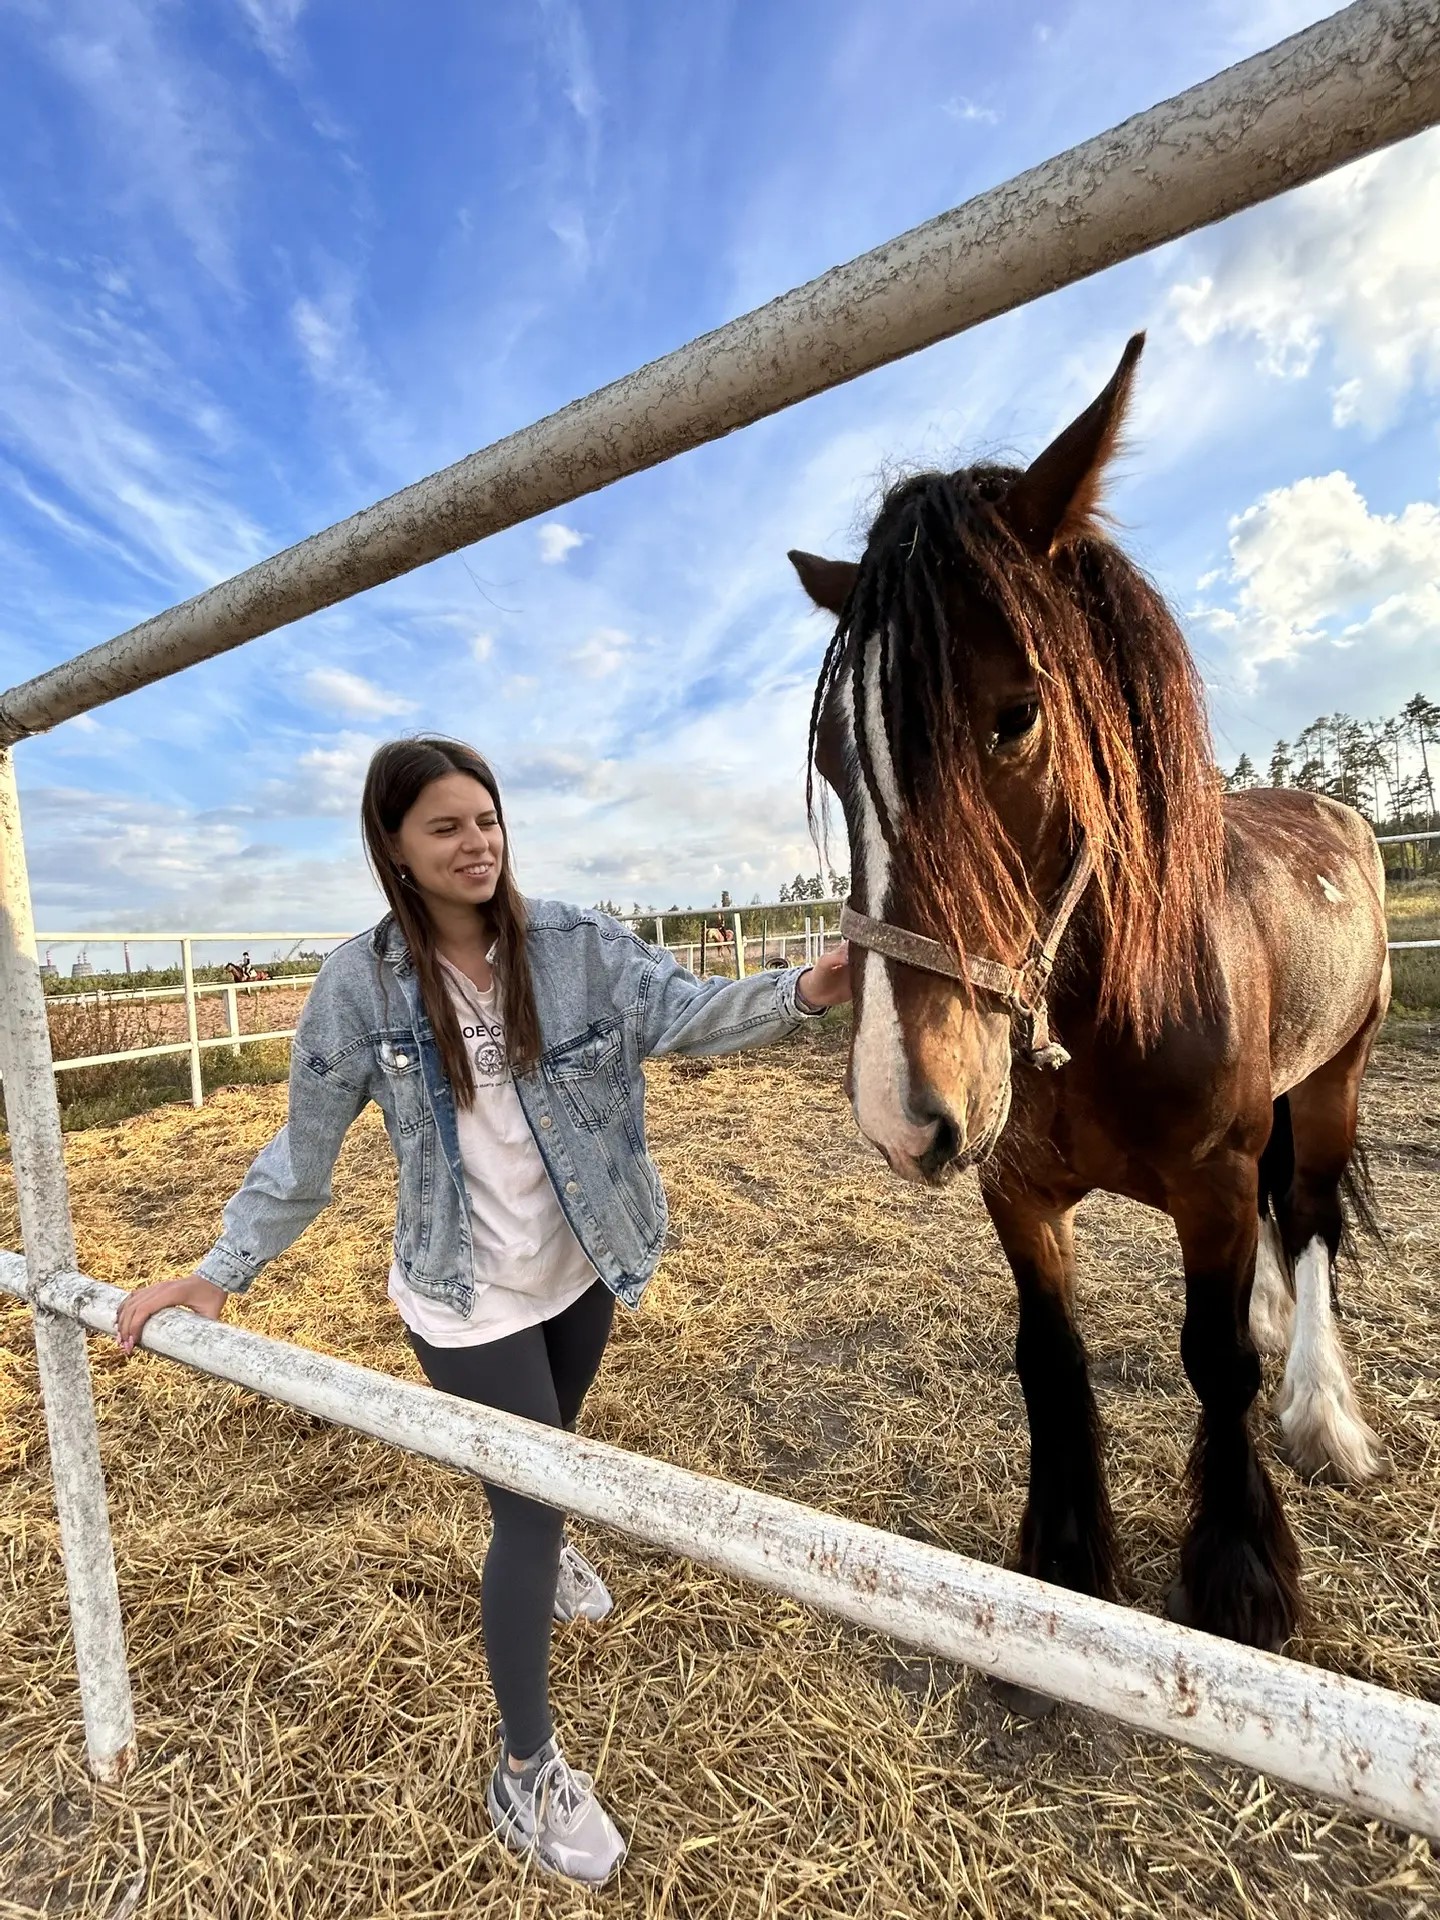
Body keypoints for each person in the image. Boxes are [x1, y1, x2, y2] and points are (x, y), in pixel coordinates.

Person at [115, 735, 850, 1888]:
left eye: (487, 819)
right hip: (466, 1298)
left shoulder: (572, 945)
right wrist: (217, 1271)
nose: (477, 843)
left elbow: (689, 1013)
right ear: (396, 852)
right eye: (445, 827)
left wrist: (808, 988)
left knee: (551, 1451)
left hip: (586, 1264)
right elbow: (303, 1155)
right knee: (535, 1508)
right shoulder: (357, 988)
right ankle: (525, 1769)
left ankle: (545, 1545)